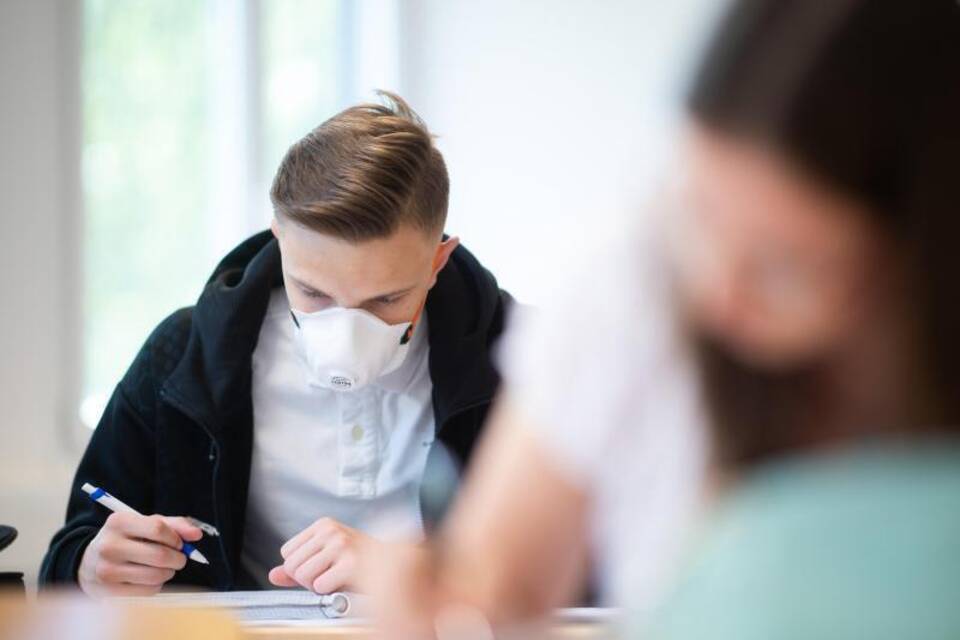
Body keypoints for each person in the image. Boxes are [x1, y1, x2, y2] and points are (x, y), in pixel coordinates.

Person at [368, 0, 960, 634]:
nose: (718, 291)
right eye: (699, 215)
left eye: (783, 265)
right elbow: (495, 587)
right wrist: (434, 609)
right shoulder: (632, 299)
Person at [39, 92, 514, 597]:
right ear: (280, 239)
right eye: (312, 292)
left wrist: (416, 570)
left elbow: (592, 564)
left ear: (438, 261)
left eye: (386, 299)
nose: (347, 332)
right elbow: (63, 561)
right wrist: (90, 565)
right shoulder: (183, 357)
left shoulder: (520, 357)